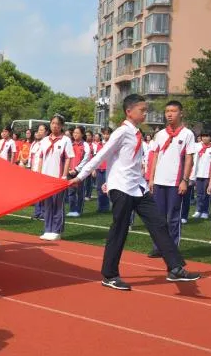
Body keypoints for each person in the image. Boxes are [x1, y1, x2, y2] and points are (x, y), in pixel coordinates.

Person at [70, 94, 200, 290]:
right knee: (119, 230)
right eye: (142, 110)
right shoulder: (122, 132)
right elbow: (101, 155)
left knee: (159, 223)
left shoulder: (138, 133)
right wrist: (81, 177)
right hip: (121, 188)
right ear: (129, 112)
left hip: (138, 188)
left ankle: (175, 268)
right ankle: (110, 275)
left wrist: (145, 181)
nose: (145, 113)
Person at [146, 100, 198, 258]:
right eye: (167, 110)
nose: (169, 114)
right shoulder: (160, 134)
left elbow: (189, 159)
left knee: (174, 217)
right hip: (159, 181)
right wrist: (151, 178)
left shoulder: (187, 134)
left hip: (176, 182)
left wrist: (185, 180)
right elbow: (155, 156)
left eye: (173, 111)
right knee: (158, 217)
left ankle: (172, 248)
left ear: (181, 113)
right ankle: (158, 246)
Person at [38, 115, 74, 241]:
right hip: (46, 177)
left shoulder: (65, 140)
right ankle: (48, 229)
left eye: (57, 124)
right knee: (47, 204)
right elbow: (41, 157)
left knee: (58, 204)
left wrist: (64, 175)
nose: (55, 126)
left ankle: (57, 230)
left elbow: (69, 157)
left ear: (62, 126)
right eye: (53, 123)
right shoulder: (44, 141)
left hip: (58, 178)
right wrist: (39, 173)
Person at [66, 126, 91, 218]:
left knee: (80, 192)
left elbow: (86, 159)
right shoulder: (70, 144)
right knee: (71, 192)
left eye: (77, 133)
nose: (75, 134)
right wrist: (68, 169)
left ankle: (79, 210)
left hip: (80, 172)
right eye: (74, 133)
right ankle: (72, 210)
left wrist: (76, 169)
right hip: (70, 171)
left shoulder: (85, 145)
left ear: (82, 134)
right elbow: (66, 157)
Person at [191, 131, 211, 220]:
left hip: (207, 175)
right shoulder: (197, 146)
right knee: (199, 194)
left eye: (207, 136)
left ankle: (205, 211)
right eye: (203, 136)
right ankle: (198, 210)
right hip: (198, 174)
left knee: (206, 194)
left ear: (210, 137)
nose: (204, 138)